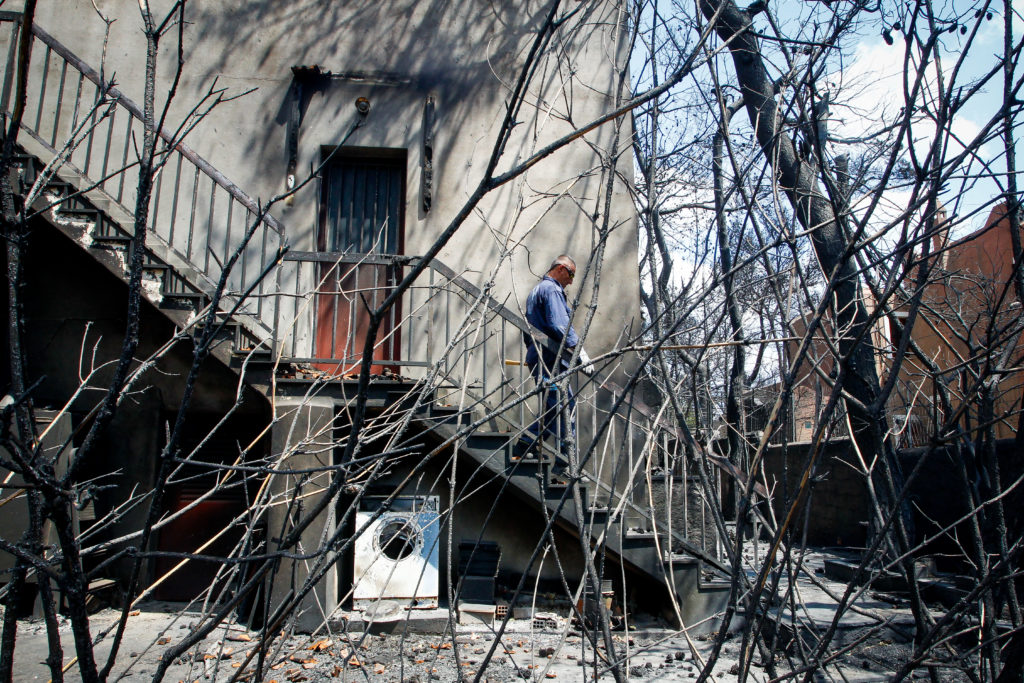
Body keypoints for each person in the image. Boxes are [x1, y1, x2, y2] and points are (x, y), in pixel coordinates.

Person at [523, 255, 594, 461]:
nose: (571, 280)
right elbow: (559, 325)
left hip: (542, 357)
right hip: (548, 360)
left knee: (553, 408)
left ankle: (525, 447)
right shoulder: (551, 289)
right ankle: (564, 460)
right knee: (564, 407)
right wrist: (579, 351)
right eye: (571, 274)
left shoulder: (539, 290)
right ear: (561, 269)